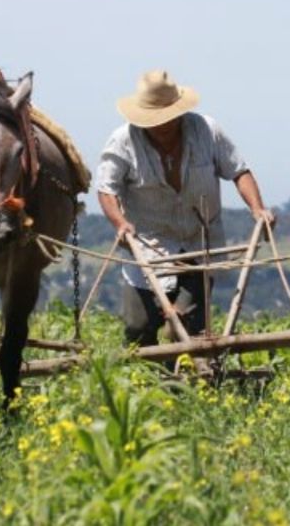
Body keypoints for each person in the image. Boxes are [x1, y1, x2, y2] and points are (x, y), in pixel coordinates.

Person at [97, 70, 274, 371]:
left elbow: (239, 171)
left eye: (167, 117)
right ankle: (151, 383)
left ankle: (190, 379)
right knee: (139, 327)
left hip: (198, 242)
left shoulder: (207, 131)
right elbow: (106, 189)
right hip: (147, 247)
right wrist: (120, 224)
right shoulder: (122, 141)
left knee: (188, 321)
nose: (162, 125)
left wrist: (258, 209)